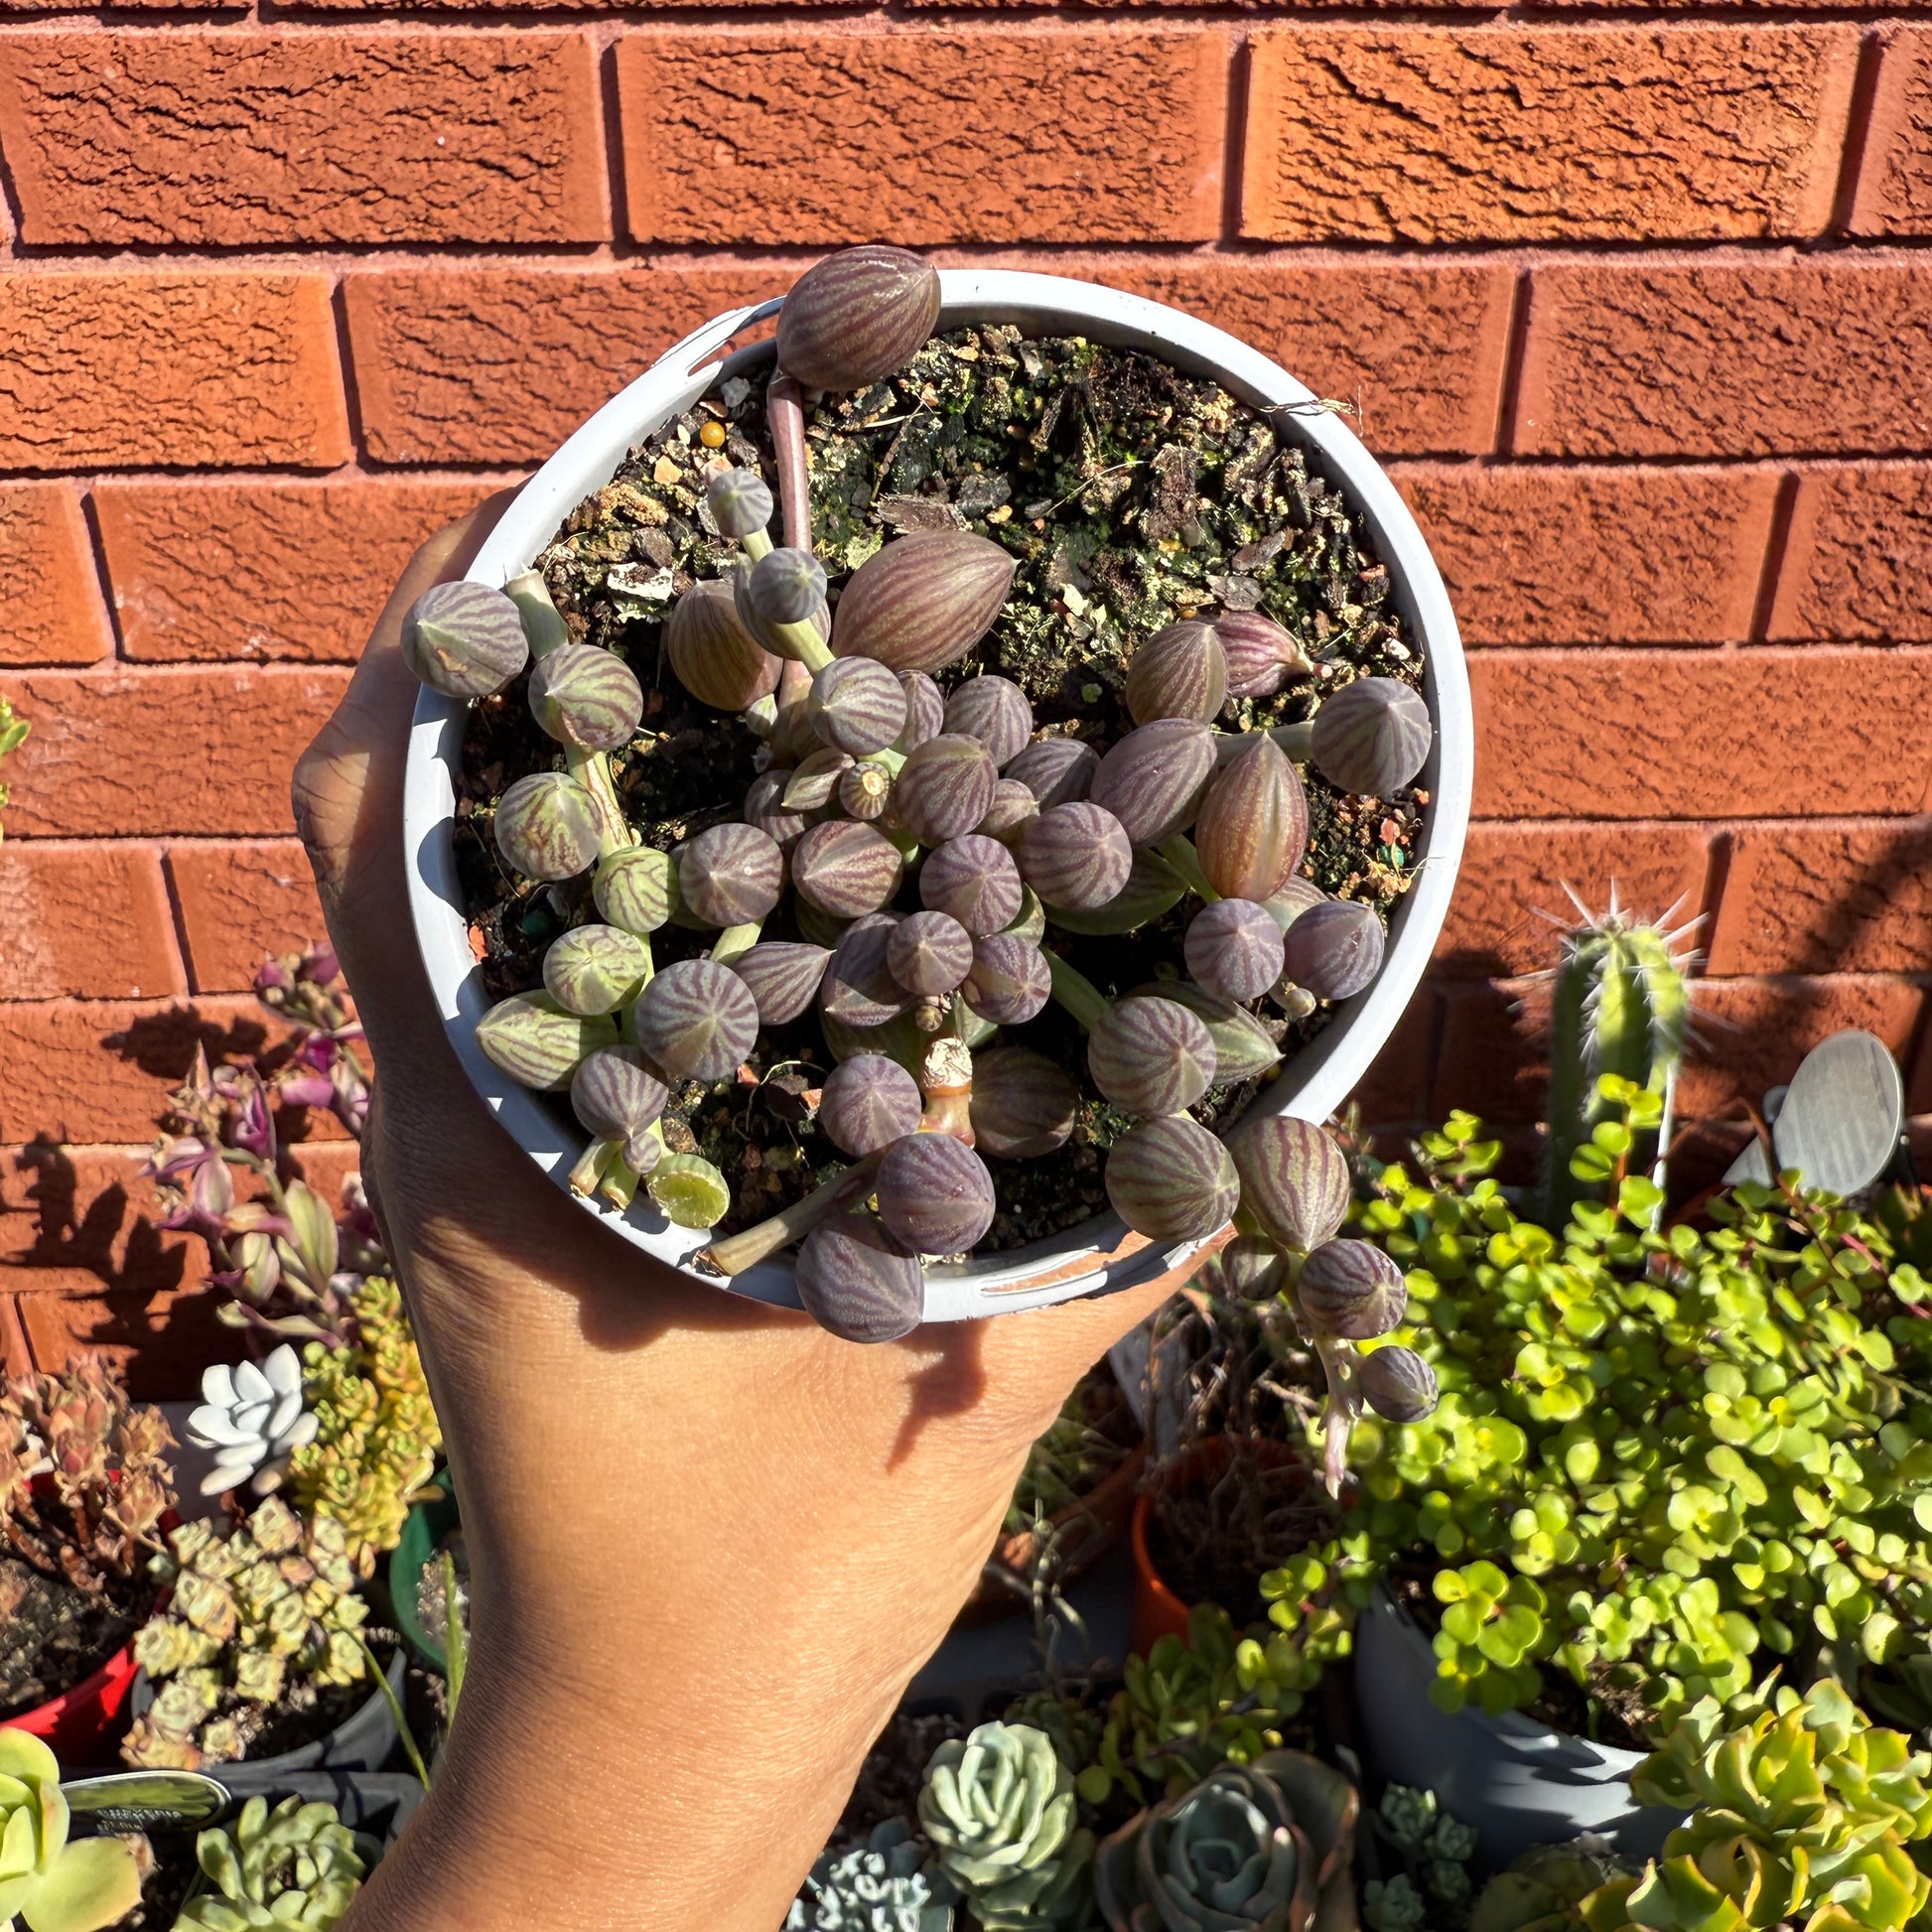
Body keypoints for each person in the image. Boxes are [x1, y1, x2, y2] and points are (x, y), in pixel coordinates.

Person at [292, 501, 1181, 1930]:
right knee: (719, 926)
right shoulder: (744, 912)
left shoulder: (937, 885)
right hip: (785, 953)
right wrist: (657, 1738)